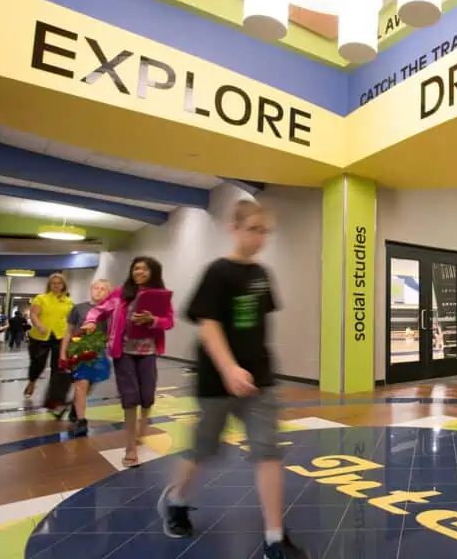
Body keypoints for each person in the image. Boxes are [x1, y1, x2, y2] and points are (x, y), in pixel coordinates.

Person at [157, 199, 308, 559]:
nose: (260, 238)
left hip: (260, 381)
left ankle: (274, 537)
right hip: (216, 380)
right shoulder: (217, 272)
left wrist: (257, 367)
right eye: (253, 229)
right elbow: (209, 324)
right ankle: (176, 500)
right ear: (234, 228)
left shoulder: (262, 275)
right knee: (204, 450)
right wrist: (229, 369)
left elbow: (258, 326)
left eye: (265, 231)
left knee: (268, 453)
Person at [83, 257, 173, 467]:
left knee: (147, 395)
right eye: (136, 268)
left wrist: (153, 320)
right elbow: (100, 309)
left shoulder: (160, 296)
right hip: (123, 352)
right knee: (130, 397)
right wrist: (90, 320)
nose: (139, 272)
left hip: (148, 352)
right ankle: (130, 447)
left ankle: (141, 428)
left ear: (154, 272)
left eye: (144, 268)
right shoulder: (121, 293)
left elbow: (168, 321)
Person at [60, 279, 112, 436]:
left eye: (103, 289)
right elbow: (68, 331)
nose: (99, 291)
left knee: (88, 387)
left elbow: (112, 334)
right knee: (80, 385)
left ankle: (75, 407)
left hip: (98, 353)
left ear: (108, 293)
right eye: (96, 288)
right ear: (91, 289)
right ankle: (82, 420)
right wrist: (63, 352)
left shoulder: (110, 312)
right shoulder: (78, 308)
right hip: (79, 351)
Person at [24, 274, 73, 400]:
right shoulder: (41, 298)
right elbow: (33, 314)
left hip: (60, 336)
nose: (56, 285)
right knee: (38, 363)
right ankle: (32, 381)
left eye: (59, 283)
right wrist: (39, 325)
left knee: (57, 366)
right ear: (49, 285)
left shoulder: (68, 301)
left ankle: (53, 395)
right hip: (40, 336)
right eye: (53, 283)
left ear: (63, 286)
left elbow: (70, 320)